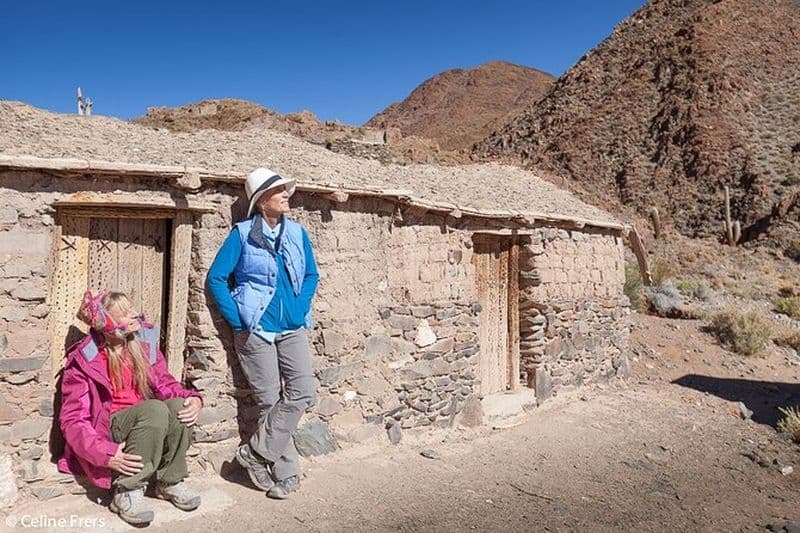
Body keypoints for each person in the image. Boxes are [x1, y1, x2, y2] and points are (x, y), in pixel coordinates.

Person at [206, 167, 319, 499]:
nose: (287, 195)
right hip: (255, 329)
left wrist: (299, 307)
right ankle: (285, 472)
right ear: (261, 201)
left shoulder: (298, 234)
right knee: (269, 401)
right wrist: (238, 321)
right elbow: (216, 279)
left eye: (286, 190)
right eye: (279, 191)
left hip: (292, 328)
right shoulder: (241, 235)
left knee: (301, 391)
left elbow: (311, 274)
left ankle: (253, 454)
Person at [58, 291, 204, 526]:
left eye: (132, 308)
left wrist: (193, 398)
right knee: (154, 409)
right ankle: (127, 490)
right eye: (125, 313)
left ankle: (169, 481)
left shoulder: (142, 344)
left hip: (145, 420)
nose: (135, 315)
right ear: (108, 324)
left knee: (178, 406)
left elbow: (165, 382)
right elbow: (73, 420)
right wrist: (105, 453)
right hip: (110, 428)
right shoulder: (84, 361)